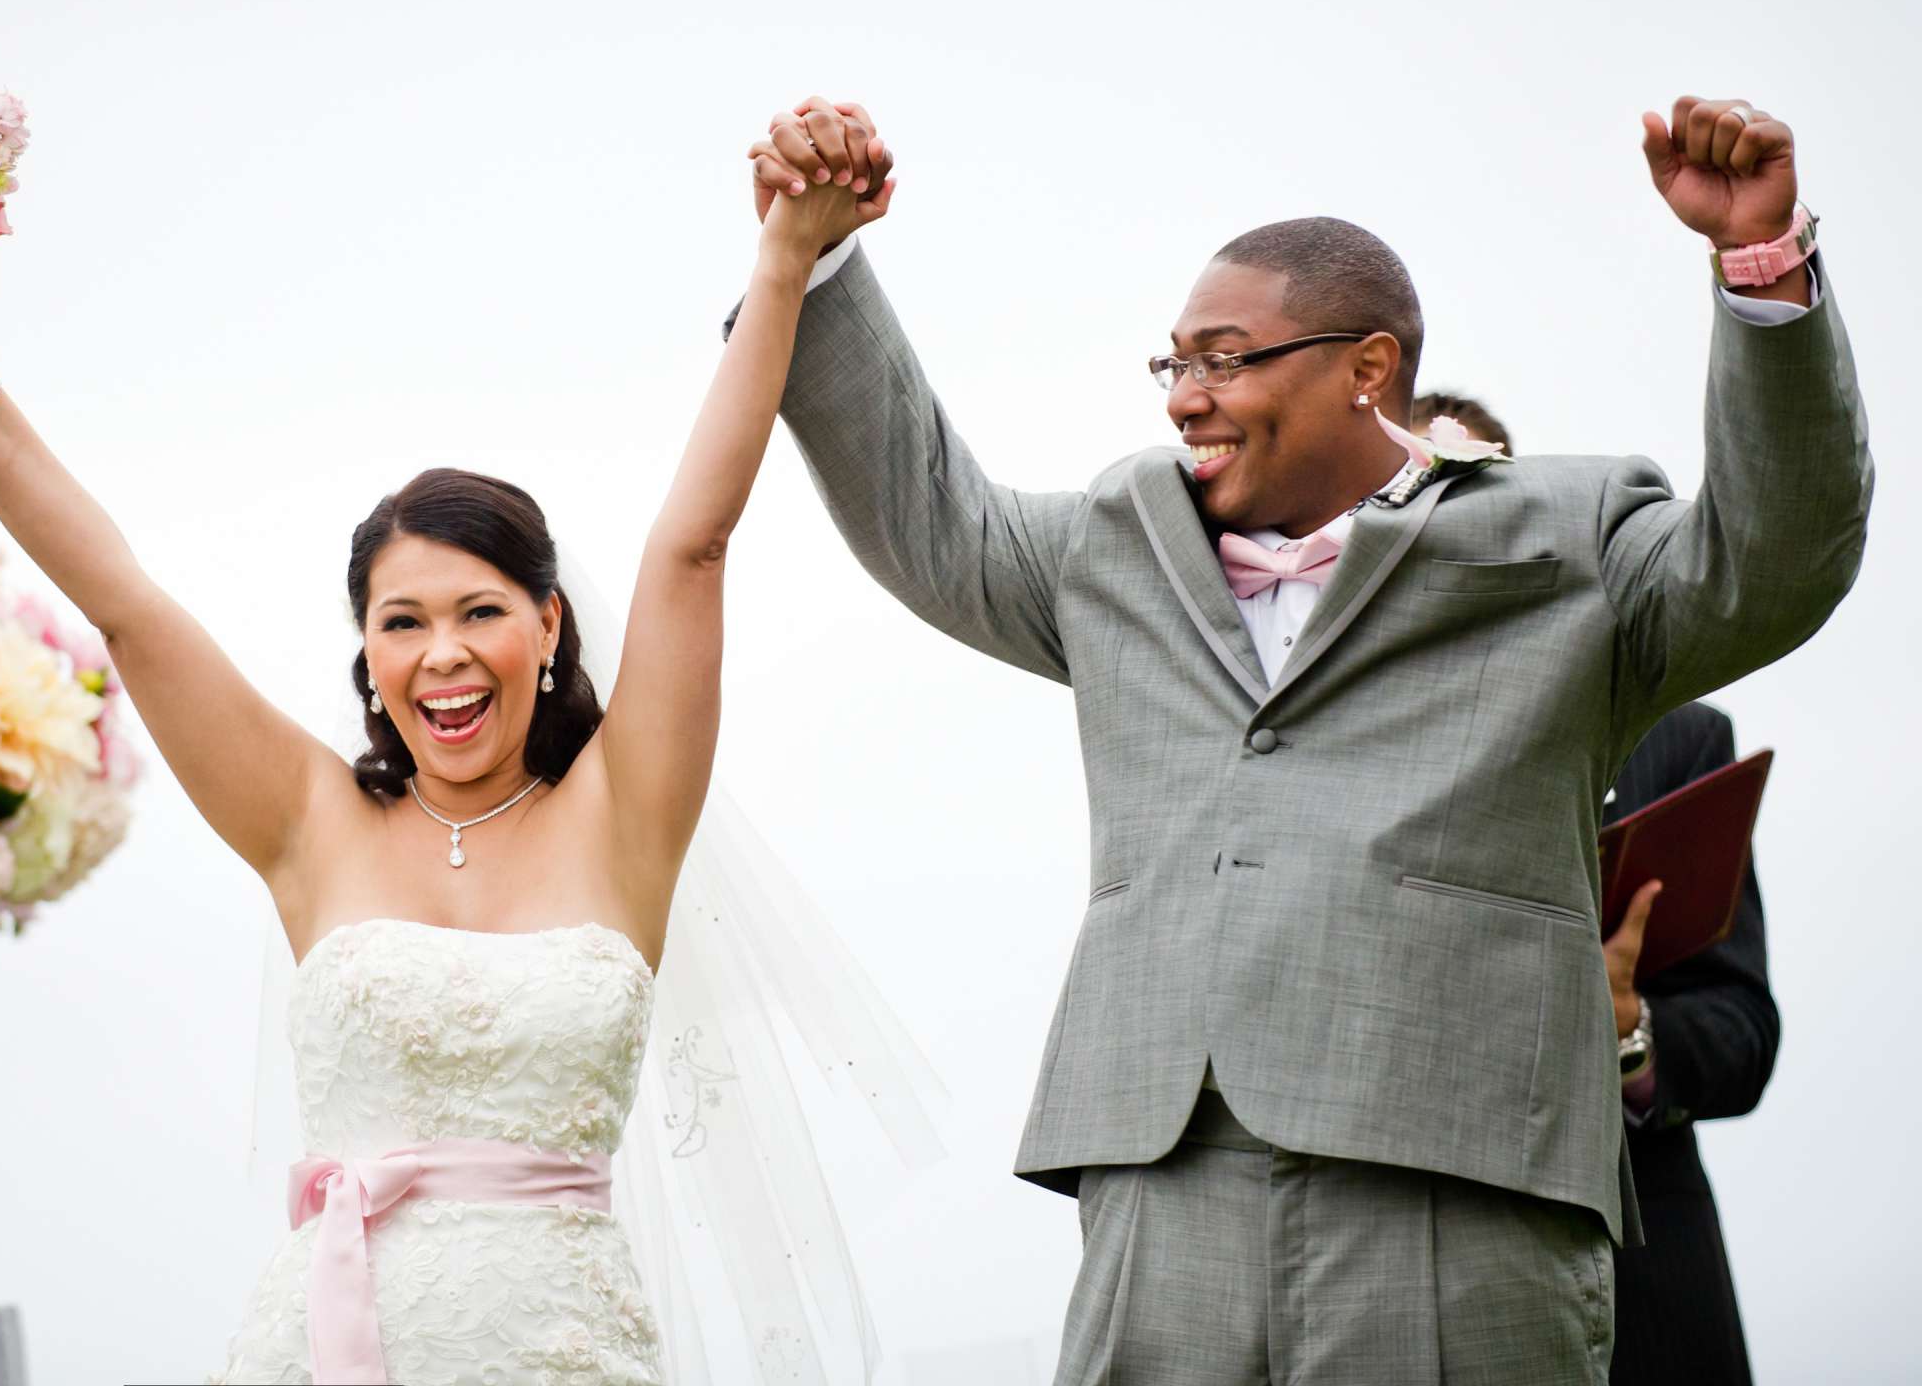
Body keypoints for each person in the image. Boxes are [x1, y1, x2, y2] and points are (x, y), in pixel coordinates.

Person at [736, 95, 1866, 1382]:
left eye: (1225, 358)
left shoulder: (1570, 533)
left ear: (1367, 367)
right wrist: (818, 262)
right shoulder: (1121, 539)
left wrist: (1761, 270)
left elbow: (1780, 560)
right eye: (1174, 364)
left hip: (1456, 1184)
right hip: (1163, 1187)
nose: (1187, 399)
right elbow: (929, 516)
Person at [0, 148, 896, 1383]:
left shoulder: (626, 811)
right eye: (403, 622)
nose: (443, 655)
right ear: (369, 652)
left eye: (481, 611)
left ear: (549, 627)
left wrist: (782, 261)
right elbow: (126, 606)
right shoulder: (306, 820)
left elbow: (692, 546)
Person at [1410, 392, 1777, 1385]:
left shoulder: (1679, 741)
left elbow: (1742, 1039)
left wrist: (1627, 1030)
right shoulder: (1334, 743)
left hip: (1639, 1274)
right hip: (1405, 1286)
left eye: (1483, 493)